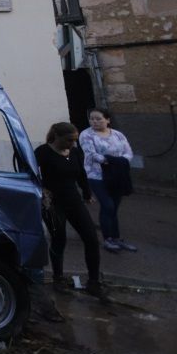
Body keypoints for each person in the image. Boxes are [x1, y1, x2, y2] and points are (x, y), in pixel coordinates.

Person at [36, 122, 103, 297]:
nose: (71, 144)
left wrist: (87, 193)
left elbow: (81, 173)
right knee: (59, 238)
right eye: (68, 140)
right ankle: (58, 277)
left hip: (73, 199)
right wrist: (41, 191)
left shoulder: (74, 152)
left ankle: (94, 281)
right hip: (51, 203)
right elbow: (30, 173)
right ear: (57, 137)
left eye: (74, 140)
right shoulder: (43, 152)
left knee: (91, 238)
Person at [80, 108, 137, 252]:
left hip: (117, 175)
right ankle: (107, 239)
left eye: (98, 119)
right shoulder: (86, 135)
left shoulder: (117, 134)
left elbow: (128, 152)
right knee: (108, 205)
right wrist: (108, 160)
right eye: (92, 119)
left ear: (107, 120)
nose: (94, 121)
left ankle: (116, 238)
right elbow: (91, 154)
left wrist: (119, 161)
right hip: (97, 175)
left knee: (114, 207)